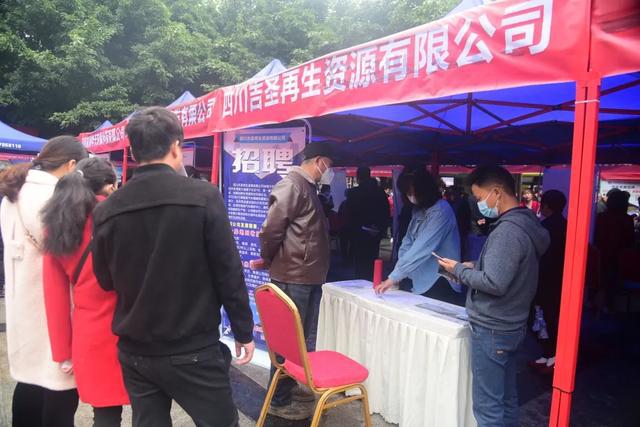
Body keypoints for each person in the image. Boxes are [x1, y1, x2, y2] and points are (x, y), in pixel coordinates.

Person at [92, 107, 255, 427]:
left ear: (133, 151)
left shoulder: (107, 209)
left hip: (135, 350)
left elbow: (105, 280)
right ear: (176, 147)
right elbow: (228, 270)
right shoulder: (204, 196)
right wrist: (243, 330)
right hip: (192, 347)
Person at [437, 166, 550, 427]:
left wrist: (458, 271)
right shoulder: (526, 223)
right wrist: (475, 266)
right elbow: (508, 268)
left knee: (488, 408)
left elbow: (494, 282)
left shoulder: (508, 231)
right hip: (512, 324)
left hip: (493, 327)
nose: (479, 205)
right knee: (507, 399)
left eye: (479, 198)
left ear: (497, 192)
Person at [0, 136, 88, 426]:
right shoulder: (54, 196)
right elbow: (72, 253)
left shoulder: (14, 192)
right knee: (59, 389)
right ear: (72, 164)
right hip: (51, 306)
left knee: (29, 383)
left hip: (22, 300)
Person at [41, 158, 129, 426]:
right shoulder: (121, 216)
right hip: (131, 322)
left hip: (89, 331)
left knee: (105, 411)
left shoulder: (56, 225)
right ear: (109, 186)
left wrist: (62, 351)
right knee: (151, 406)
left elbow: (55, 296)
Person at [259, 142, 334, 420]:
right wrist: (269, 259)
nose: (329, 171)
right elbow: (271, 230)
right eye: (328, 165)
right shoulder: (292, 185)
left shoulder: (308, 187)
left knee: (301, 339)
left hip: (307, 275)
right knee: (287, 341)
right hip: (294, 276)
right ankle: (278, 399)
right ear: (317, 161)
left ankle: (288, 387)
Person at [376, 168, 463, 305]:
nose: (410, 197)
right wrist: (398, 273)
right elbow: (407, 243)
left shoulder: (440, 211)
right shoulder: (419, 211)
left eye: (412, 193)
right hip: (421, 280)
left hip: (440, 281)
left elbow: (422, 248)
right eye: (407, 193)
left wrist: (394, 277)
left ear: (424, 190)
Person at [530, 190, 567, 374]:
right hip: (559, 279)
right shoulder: (566, 225)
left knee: (542, 318)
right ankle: (548, 355)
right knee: (550, 318)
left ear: (546, 206)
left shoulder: (545, 227)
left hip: (544, 279)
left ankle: (550, 355)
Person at [345, 167, 390, 280]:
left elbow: (349, 213)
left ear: (358, 177)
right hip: (375, 231)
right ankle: (371, 281)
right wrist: (380, 228)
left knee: (360, 262)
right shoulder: (380, 192)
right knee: (373, 259)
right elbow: (386, 211)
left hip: (359, 231)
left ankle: (360, 282)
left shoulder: (354, 193)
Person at [594, 189, 635, 311]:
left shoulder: (601, 217)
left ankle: (599, 304)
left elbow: (596, 236)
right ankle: (611, 306)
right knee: (614, 282)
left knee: (602, 280)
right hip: (619, 257)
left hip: (601, 255)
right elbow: (630, 241)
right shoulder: (627, 219)